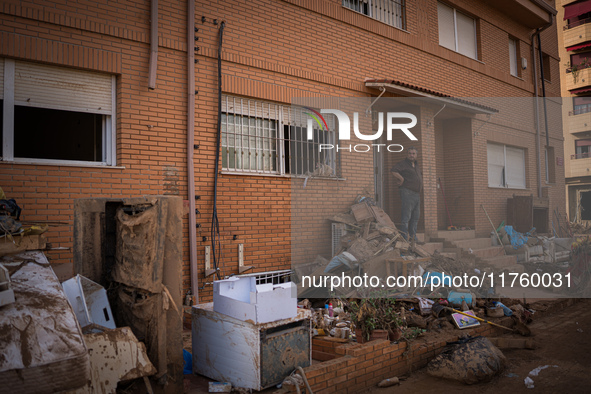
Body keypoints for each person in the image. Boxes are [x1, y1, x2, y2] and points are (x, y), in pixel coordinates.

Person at [391, 147, 422, 242]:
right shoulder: (403, 164)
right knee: (406, 216)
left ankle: (413, 237)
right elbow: (393, 171)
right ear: (407, 154)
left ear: (416, 155)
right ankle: (404, 238)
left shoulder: (416, 165)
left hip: (416, 194)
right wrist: (401, 179)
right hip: (407, 192)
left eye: (413, 153)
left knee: (415, 217)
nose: (411, 155)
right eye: (409, 153)